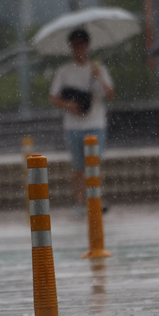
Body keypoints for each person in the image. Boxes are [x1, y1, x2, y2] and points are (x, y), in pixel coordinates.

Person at [49, 28, 115, 214]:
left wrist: (98, 77)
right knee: (78, 166)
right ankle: (80, 201)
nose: (78, 48)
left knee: (95, 163)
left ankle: (96, 197)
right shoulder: (64, 71)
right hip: (73, 125)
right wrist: (68, 105)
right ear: (70, 47)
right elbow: (53, 97)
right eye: (75, 45)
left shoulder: (99, 68)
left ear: (87, 45)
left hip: (95, 122)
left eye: (82, 44)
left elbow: (110, 94)